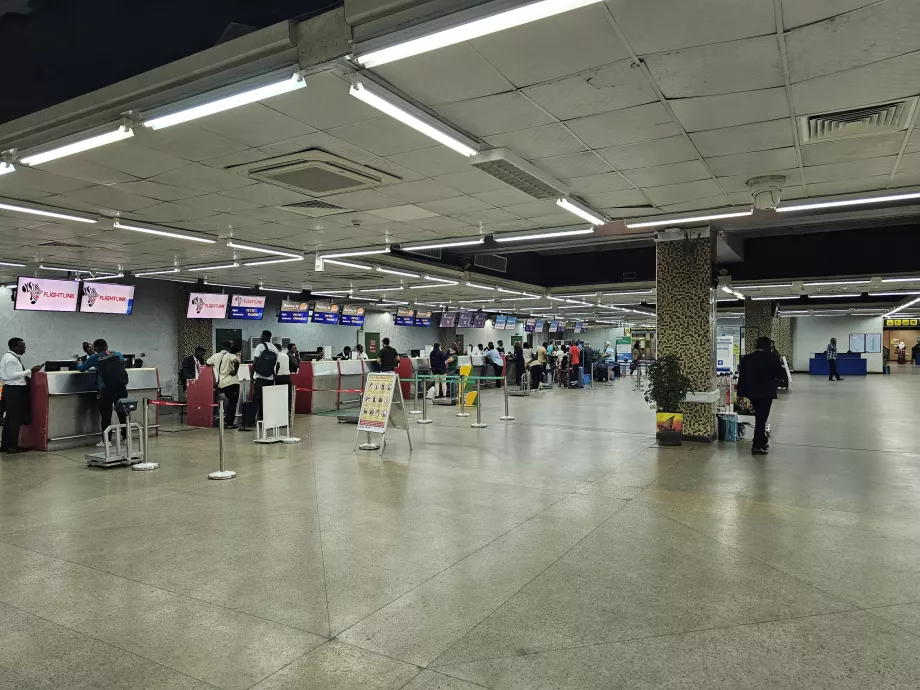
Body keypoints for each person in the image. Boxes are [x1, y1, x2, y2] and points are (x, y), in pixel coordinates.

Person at [738, 336, 786, 456]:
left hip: (752, 393)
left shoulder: (748, 358)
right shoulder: (772, 357)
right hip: (766, 392)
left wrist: (740, 394)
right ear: (768, 346)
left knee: (761, 417)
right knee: (761, 418)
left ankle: (762, 440)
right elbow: (781, 374)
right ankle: (757, 446)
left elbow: (742, 376)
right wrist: (775, 380)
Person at [77, 339, 129, 444]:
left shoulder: (94, 358)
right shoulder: (118, 354)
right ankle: (126, 438)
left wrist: (79, 363)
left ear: (95, 348)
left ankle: (106, 441)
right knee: (122, 414)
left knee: (106, 416)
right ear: (107, 346)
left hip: (105, 390)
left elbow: (81, 368)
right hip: (121, 389)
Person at [0, 338, 42, 453]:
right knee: (15, 420)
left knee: (10, 420)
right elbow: (12, 375)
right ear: (13, 347)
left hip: (11, 390)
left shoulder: (12, 357)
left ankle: (5, 445)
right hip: (15, 391)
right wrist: (30, 370)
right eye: (22, 347)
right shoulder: (10, 359)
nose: (24, 349)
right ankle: (12, 446)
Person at [206, 341, 240, 428]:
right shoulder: (231, 355)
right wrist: (235, 371)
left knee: (228, 401)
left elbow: (207, 363)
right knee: (233, 402)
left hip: (222, 383)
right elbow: (236, 362)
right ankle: (229, 423)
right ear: (230, 348)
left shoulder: (215, 356)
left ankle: (226, 420)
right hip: (232, 382)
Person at [252, 330, 280, 418]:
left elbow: (254, 363)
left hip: (260, 378)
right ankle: (264, 419)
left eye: (261, 336)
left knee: (256, 399)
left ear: (263, 337)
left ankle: (251, 421)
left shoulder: (260, 346)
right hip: (270, 379)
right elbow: (278, 365)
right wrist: (274, 375)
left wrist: (251, 376)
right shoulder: (275, 348)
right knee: (267, 400)